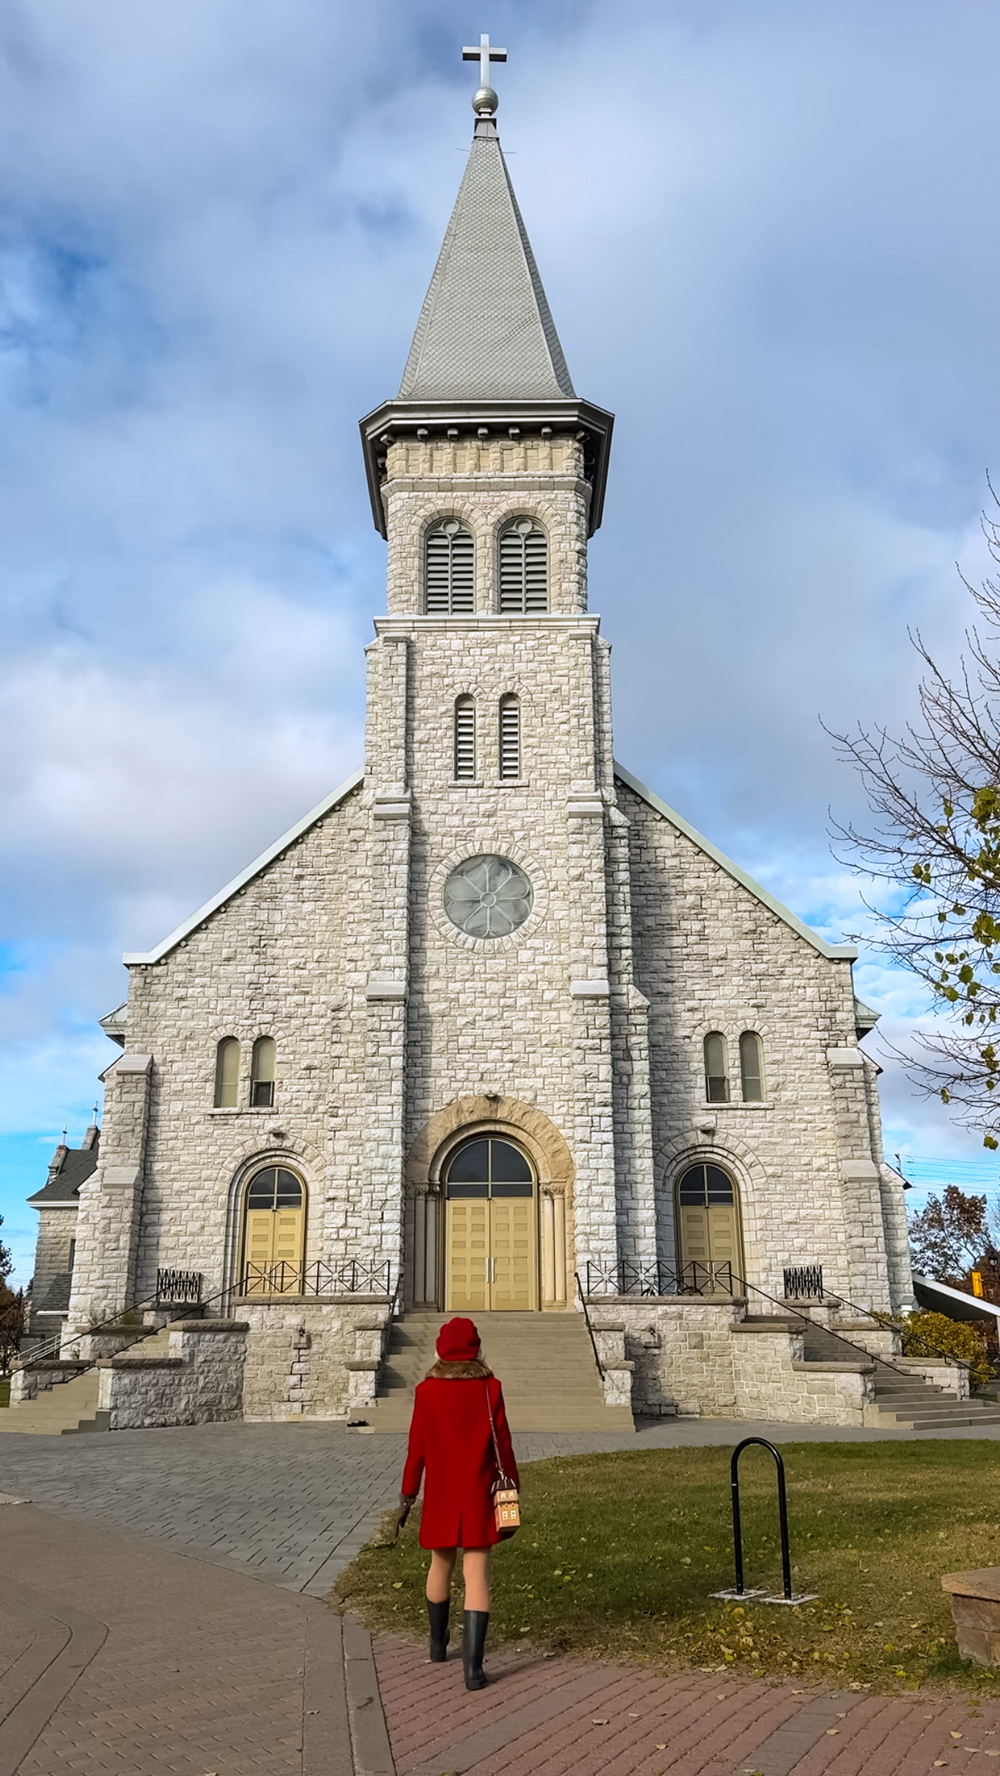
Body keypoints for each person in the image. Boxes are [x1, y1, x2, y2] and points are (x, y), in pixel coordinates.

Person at [399, 1316, 519, 1691]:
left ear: (439, 1351)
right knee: (477, 1573)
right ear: (477, 1350)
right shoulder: (490, 1389)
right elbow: (504, 1444)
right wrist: (511, 1487)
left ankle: (437, 1645)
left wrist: (408, 1492)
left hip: (440, 1495)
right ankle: (473, 1669)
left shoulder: (426, 1391)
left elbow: (416, 1449)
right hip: (479, 1492)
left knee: (440, 1564)